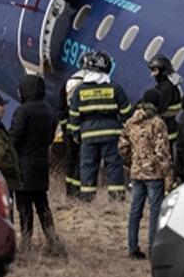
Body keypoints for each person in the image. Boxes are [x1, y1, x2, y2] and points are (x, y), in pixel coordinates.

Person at [67, 50, 132, 202]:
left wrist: (76, 135)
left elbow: (74, 116)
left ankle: (87, 199)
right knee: (114, 166)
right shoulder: (115, 88)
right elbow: (126, 112)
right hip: (111, 134)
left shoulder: (79, 91)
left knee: (88, 167)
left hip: (88, 136)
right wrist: (125, 132)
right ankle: (116, 199)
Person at [10, 74, 64, 254]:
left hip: (24, 165)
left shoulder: (23, 111)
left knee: (24, 207)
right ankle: (52, 239)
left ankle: (26, 243)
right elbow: (50, 137)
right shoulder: (49, 110)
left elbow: (16, 136)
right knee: (42, 205)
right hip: (41, 164)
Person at [118, 89, 172, 260]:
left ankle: (133, 247)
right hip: (154, 174)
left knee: (135, 211)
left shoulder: (131, 122)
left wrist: (132, 161)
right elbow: (161, 152)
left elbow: (122, 147)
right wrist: (168, 172)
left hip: (136, 173)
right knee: (155, 211)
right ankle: (153, 248)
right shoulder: (157, 123)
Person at [57, 70, 87, 198]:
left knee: (71, 161)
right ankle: (78, 191)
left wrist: (64, 129)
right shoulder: (92, 84)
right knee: (82, 161)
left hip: (70, 130)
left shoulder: (69, 83)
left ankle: (70, 192)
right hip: (85, 130)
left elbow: (61, 110)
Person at [147, 54, 183, 144]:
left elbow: (155, 110)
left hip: (164, 132)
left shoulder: (164, 89)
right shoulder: (172, 86)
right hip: (170, 129)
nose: (153, 75)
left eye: (155, 71)